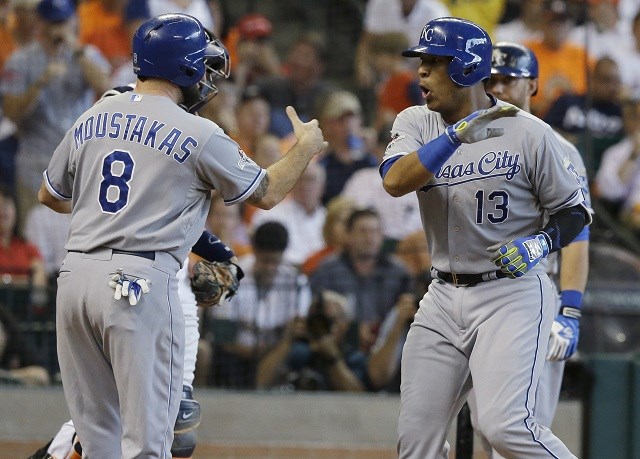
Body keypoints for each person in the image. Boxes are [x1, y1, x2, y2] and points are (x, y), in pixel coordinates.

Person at [37, 13, 326, 457]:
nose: (208, 79)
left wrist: (118, 216)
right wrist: (303, 148)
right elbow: (266, 193)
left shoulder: (95, 114)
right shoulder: (198, 131)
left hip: (75, 279)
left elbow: (50, 194)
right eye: (203, 67)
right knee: (152, 444)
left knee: (97, 441)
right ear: (186, 67)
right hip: (139, 282)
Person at [380, 17, 590, 458]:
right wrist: (456, 135)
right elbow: (396, 181)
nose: (421, 72)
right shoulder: (417, 121)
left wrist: (540, 244)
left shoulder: (529, 132)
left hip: (509, 294)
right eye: (422, 62)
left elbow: (576, 213)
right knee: (415, 440)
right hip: (441, 294)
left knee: (504, 426)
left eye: (434, 62)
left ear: (465, 68)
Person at [471, 42, 592, 458]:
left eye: (510, 79)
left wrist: (570, 311)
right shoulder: (467, 140)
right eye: (493, 79)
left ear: (533, 85)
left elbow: (577, 235)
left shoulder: (557, 147)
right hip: (475, 295)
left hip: (533, 296)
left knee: (520, 431)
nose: (500, 87)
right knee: (482, 430)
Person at [28, 230, 241, 459]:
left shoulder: (171, 207)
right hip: (129, 293)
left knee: (167, 424)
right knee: (112, 423)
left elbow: (223, 258)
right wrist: (223, 258)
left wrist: (223, 262)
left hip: (154, 302)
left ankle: (57, 451)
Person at [1, 0, 111, 230]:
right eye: (52, 23)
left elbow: (105, 85)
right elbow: (11, 114)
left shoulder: (85, 54)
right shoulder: (21, 60)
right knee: (36, 235)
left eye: (61, 22)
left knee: (83, 234)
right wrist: (40, 83)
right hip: (35, 167)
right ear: (40, 24)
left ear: (72, 21)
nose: (57, 29)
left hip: (80, 165)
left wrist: (75, 50)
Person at [208, 221, 312, 388]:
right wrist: (250, 351)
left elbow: (298, 326)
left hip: (278, 347)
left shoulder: (297, 282)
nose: (270, 267)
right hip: (236, 350)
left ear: (283, 255)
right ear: (254, 251)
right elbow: (222, 333)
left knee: (300, 353)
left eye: (275, 261)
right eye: (264, 261)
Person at [309, 208, 414, 354]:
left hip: (388, 347)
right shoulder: (328, 270)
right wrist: (352, 330)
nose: (370, 238)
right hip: (341, 347)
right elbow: (315, 312)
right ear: (348, 235)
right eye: (363, 231)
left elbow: (411, 312)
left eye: (375, 231)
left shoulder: (398, 271)